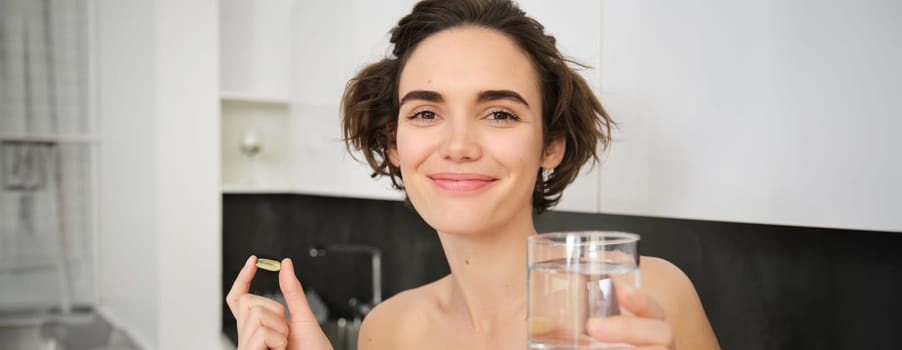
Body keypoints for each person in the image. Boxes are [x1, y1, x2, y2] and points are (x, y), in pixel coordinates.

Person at [226, 0, 721, 349]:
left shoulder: (637, 295)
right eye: (425, 114)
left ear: (551, 145)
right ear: (393, 145)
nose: (458, 146)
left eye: (500, 113)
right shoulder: (388, 331)